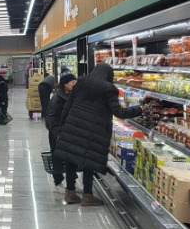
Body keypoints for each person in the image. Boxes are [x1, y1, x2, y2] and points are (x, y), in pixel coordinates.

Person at [54, 63, 143, 206]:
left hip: (74, 126)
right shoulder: (109, 89)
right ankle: (88, 196)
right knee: (89, 162)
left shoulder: (80, 83)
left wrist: (61, 128)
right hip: (94, 130)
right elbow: (119, 112)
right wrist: (139, 109)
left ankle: (70, 193)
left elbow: (67, 106)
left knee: (71, 158)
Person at [45, 73, 76, 188]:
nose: (75, 84)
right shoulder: (57, 99)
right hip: (57, 132)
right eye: (72, 82)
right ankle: (58, 179)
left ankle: (70, 176)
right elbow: (52, 118)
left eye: (75, 82)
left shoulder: (72, 95)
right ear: (65, 84)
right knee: (57, 155)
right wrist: (57, 134)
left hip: (68, 131)